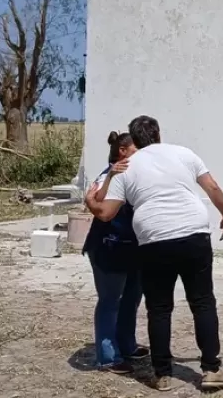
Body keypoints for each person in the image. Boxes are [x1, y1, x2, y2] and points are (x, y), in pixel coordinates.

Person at [86, 115, 223, 392]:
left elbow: (106, 213)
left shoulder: (126, 167)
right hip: (194, 232)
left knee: (159, 309)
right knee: (202, 302)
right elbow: (212, 188)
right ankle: (211, 369)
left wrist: (91, 202)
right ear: (158, 133)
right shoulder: (184, 154)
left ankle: (162, 373)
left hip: (154, 239)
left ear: (134, 138)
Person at [82, 131, 148, 374]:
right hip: (108, 248)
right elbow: (97, 202)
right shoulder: (108, 174)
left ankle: (127, 345)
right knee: (110, 301)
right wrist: (110, 176)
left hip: (132, 249)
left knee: (131, 299)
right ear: (123, 151)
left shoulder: (136, 174)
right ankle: (108, 356)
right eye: (136, 149)